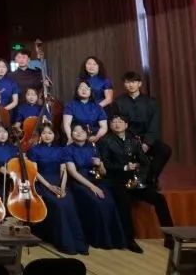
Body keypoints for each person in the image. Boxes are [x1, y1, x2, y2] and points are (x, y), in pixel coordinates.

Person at [99, 113, 175, 252]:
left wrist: (140, 179)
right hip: (117, 181)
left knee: (159, 199)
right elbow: (106, 164)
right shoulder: (105, 141)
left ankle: (170, 237)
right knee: (125, 202)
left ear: (126, 125)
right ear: (110, 125)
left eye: (120, 121)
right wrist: (124, 167)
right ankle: (129, 239)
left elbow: (145, 163)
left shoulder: (133, 140)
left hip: (134, 182)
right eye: (114, 122)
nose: (117, 124)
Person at [26, 124, 89, 255]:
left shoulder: (61, 150)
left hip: (59, 182)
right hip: (43, 183)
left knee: (69, 204)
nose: (47, 136)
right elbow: (35, 172)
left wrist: (63, 187)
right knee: (59, 205)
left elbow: (63, 170)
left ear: (54, 135)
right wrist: (49, 186)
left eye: (50, 133)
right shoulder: (34, 150)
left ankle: (78, 242)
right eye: (44, 133)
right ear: (40, 135)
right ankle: (65, 243)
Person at [65, 123, 128, 251]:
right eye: (75, 131)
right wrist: (92, 187)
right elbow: (73, 173)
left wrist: (99, 165)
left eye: (82, 131)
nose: (78, 133)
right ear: (71, 134)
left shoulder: (93, 148)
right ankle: (98, 239)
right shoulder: (67, 149)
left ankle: (114, 240)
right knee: (96, 202)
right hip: (79, 182)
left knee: (109, 202)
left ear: (87, 133)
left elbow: (103, 172)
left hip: (95, 179)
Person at [114, 71, 171, 188]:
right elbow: (117, 124)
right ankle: (132, 180)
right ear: (124, 84)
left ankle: (151, 178)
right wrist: (131, 141)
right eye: (127, 82)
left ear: (139, 84)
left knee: (164, 150)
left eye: (134, 82)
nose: (131, 85)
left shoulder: (151, 102)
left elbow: (154, 125)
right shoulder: (118, 102)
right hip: (127, 139)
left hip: (146, 139)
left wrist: (147, 143)